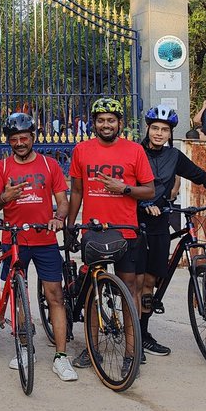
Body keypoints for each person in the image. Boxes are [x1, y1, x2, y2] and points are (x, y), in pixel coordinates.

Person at [137, 106, 206, 356]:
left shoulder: (174, 156)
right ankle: (134, 333)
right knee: (136, 280)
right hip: (135, 220)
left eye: (165, 130)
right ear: (148, 128)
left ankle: (143, 331)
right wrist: (143, 203)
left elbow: (200, 176)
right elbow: (125, 185)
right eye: (156, 128)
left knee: (151, 280)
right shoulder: (134, 152)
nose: (159, 133)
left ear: (170, 133)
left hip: (161, 219)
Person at [66, 97, 155, 372]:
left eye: (111, 120)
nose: (106, 124)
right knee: (94, 289)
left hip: (126, 231)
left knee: (129, 290)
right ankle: (92, 348)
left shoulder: (134, 151)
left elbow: (149, 191)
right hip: (94, 230)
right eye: (101, 120)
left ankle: (132, 351)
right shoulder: (81, 150)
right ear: (94, 123)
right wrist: (70, 226)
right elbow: (77, 191)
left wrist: (123, 188)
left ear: (120, 123)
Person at [0, 113, 73, 381]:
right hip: (14, 240)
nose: (20, 143)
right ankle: (26, 349)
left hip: (44, 239)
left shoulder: (50, 165)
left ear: (33, 137)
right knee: (20, 295)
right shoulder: (2, 168)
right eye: (14, 139)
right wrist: (5, 197)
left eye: (24, 138)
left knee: (55, 296)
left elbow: (63, 200)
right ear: (9, 142)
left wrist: (59, 218)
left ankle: (61, 356)